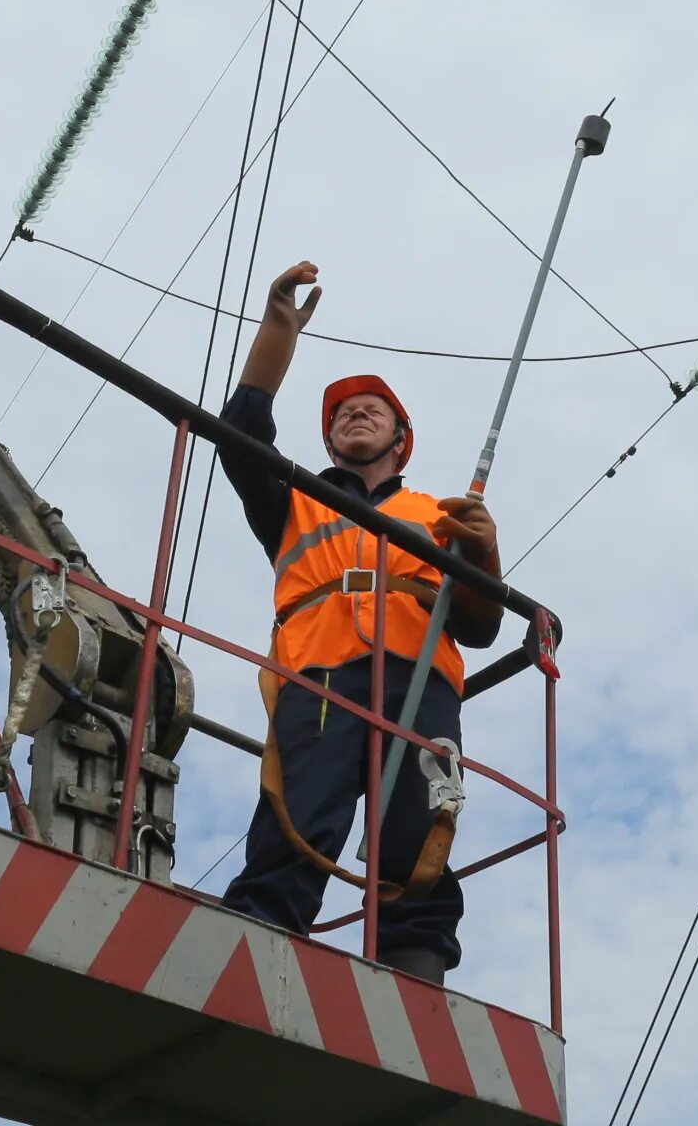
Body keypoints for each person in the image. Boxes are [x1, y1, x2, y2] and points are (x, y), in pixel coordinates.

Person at [213, 260, 504, 984]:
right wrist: (280, 328)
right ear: (331, 440)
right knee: (300, 816)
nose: (355, 412)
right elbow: (240, 430)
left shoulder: (440, 517)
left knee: (417, 831)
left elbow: (480, 626)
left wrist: (484, 551)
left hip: (421, 683)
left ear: (402, 440)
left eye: (374, 408)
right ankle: (261, 940)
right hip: (322, 674)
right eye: (343, 411)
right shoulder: (296, 500)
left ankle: (417, 970)